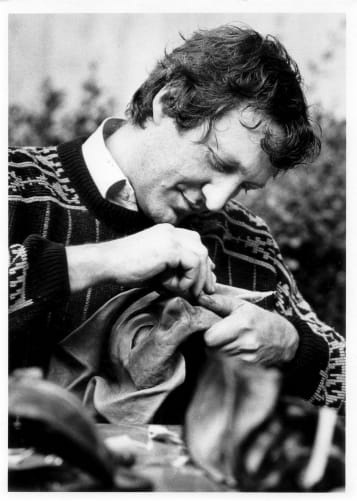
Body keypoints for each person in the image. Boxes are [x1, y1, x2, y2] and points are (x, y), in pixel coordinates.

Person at [9, 25, 345, 411]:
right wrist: (98, 261)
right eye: (218, 162)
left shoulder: (247, 239)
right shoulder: (16, 186)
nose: (219, 202)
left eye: (244, 187)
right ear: (167, 104)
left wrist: (294, 345)